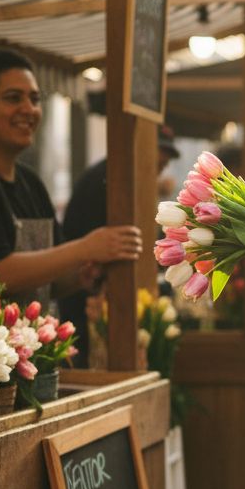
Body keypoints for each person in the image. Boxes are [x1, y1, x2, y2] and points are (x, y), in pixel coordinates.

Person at [0, 48, 142, 303]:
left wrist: (80, 275)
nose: (28, 109)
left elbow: (49, 283)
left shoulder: (31, 183)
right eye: (13, 98)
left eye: (35, 99)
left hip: (35, 340)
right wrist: (84, 248)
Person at [60, 126, 180, 364]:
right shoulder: (112, 180)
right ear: (140, 150)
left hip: (91, 292)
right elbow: (103, 248)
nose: (160, 170)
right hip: (83, 296)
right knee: (86, 359)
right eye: (159, 161)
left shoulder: (129, 180)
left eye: (164, 165)